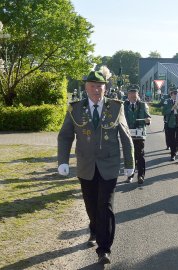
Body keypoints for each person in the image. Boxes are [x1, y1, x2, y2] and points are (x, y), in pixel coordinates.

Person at [57, 68, 135, 265]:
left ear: (105, 88)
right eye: (92, 86)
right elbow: (65, 136)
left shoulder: (116, 107)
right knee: (91, 206)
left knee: (105, 206)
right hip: (86, 165)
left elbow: (125, 136)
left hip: (109, 165)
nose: (96, 90)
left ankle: (104, 249)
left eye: (100, 86)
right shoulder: (75, 108)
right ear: (86, 88)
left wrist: (129, 163)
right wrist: (63, 161)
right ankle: (94, 228)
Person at [124, 84, 151, 184]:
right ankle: (129, 176)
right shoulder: (124, 105)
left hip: (140, 134)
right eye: (131, 94)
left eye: (134, 94)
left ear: (137, 94)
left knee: (140, 155)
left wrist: (148, 120)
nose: (133, 96)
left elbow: (148, 118)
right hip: (128, 134)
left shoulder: (143, 105)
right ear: (128, 95)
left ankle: (141, 176)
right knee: (129, 155)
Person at [163, 86, 178, 163]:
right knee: (172, 139)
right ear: (171, 94)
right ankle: (173, 154)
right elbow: (164, 112)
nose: (176, 95)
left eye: (177, 93)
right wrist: (172, 109)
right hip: (171, 123)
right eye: (175, 93)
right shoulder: (167, 101)